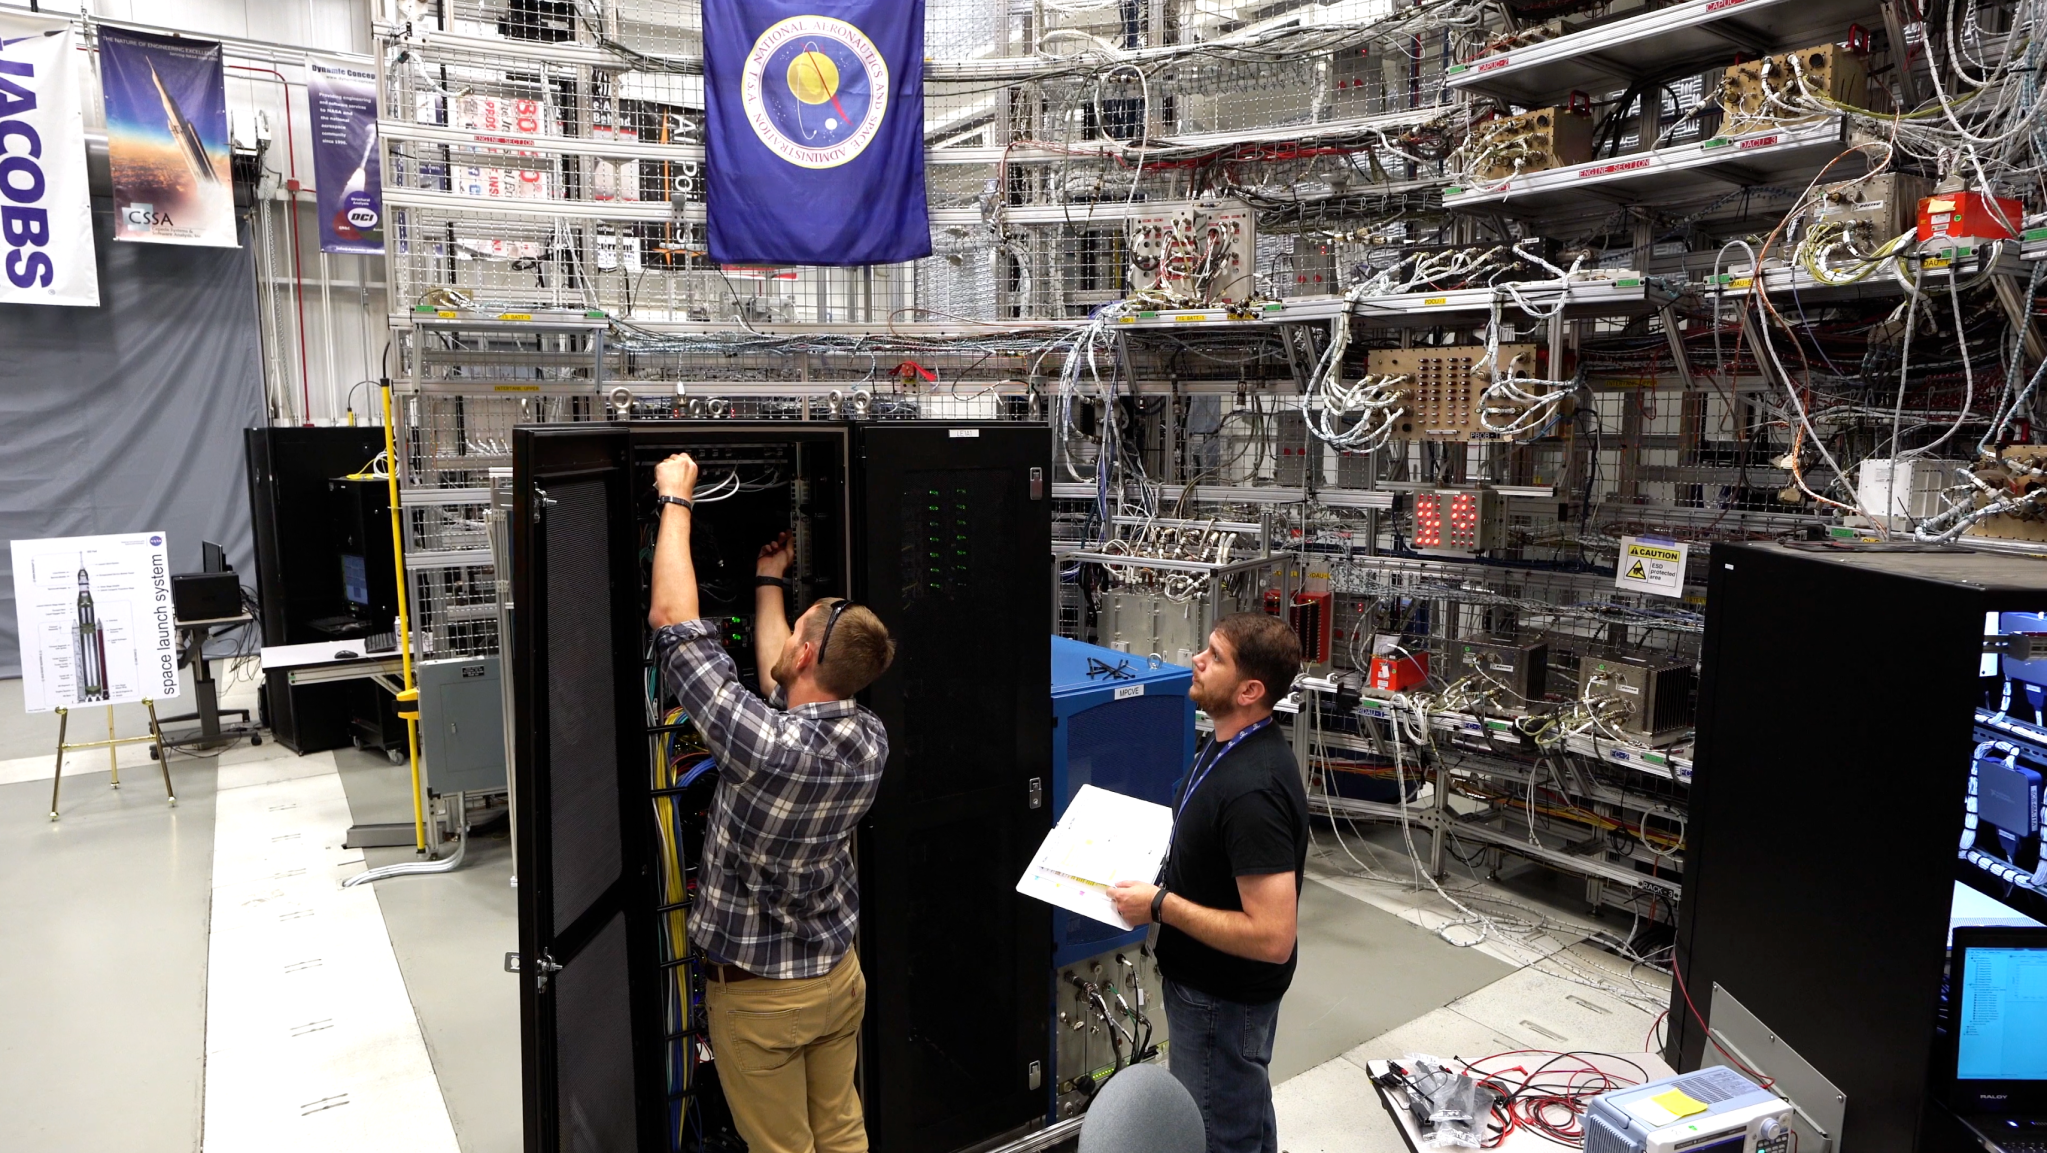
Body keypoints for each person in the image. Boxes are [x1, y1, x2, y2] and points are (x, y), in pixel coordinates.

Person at [645, 452, 897, 1153]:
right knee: (842, 1130)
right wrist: (767, 584)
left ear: (809, 654)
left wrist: (675, 501)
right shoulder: (867, 738)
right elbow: (779, 682)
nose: (788, 637)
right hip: (836, 979)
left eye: (797, 630)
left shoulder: (763, 746)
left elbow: (671, 616)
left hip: (760, 1001)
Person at [1108, 613, 1307, 1153]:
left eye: (1215, 657)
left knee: (1219, 1134)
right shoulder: (1229, 743)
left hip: (1221, 1002)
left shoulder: (1253, 792)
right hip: (1208, 991)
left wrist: (1160, 905)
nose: (1197, 659)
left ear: (1250, 690)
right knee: (1243, 1116)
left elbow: (1272, 936)